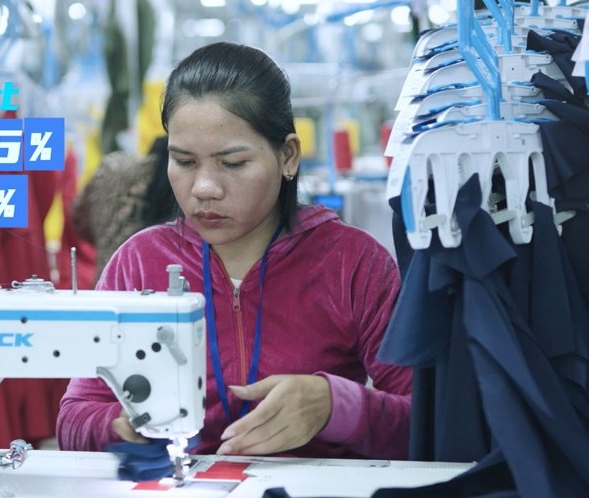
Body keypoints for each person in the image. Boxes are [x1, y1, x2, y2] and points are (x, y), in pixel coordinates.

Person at [56, 42, 411, 460]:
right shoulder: (138, 263)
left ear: (288, 156)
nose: (204, 188)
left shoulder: (353, 264)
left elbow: (427, 420)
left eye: (233, 163)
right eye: (184, 162)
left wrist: (336, 406)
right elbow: (73, 419)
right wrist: (120, 425)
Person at [72, 136, 179, 277]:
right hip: (158, 284)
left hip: (105, 281)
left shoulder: (113, 166)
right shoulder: (180, 181)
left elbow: (78, 220)